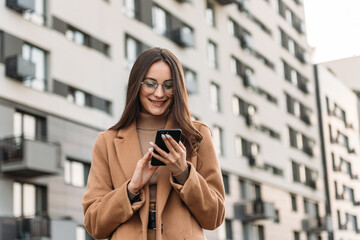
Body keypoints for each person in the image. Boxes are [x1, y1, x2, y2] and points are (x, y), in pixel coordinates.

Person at [82, 47, 225, 240]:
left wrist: (183, 172)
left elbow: (214, 217)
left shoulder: (197, 135)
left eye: (168, 85)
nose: (159, 93)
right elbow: (94, 224)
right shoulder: (107, 141)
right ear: (136, 85)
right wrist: (131, 188)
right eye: (150, 84)